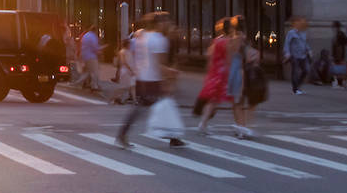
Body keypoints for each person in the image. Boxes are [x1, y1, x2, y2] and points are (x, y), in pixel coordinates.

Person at [116, 12, 186, 149]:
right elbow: (160, 64)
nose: (169, 24)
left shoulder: (143, 36)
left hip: (142, 77)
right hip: (153, 79)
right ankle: (173, 137)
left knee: (150, 107)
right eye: (166, 22)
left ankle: (174, 138)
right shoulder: (159, 40)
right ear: (159, 24)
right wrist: (170, 75)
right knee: (155, 106)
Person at [196, 19, 232, 134]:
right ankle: (203, 123)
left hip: (214, 72)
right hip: (222, 73)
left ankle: (204, 122)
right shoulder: (228, 42)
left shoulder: (216, 41)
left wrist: (210, 72)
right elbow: (229, 59)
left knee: (213, 100)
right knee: (214, 101)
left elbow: (210, 57)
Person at [283, 16, 311, 95]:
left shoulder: (303, 33)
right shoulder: (291, 33)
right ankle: (295, 89)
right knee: (295, 71)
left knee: (306, 70)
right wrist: (287, 53)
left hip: (303, 55)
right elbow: (287, 43)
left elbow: (305, 43)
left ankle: (298, 85)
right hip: (294, 55)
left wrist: (309, 50)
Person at [78, 25, 103, 93]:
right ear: (95, 30)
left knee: (86, 72)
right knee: (94, 72)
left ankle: (81, 83)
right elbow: (95, 47)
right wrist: (100, 51)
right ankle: (94, 86)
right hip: (91, 56)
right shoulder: (93, 37)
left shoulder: (85, 35)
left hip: (84, 55)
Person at [332, 21, 347, 88]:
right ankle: (340, 83)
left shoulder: (340, 34)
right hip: (337, 53)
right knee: (338, 69)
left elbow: (344, 43)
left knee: (339, 69)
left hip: (339, 53)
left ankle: (340, 83)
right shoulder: (338, 34)